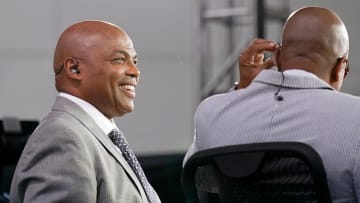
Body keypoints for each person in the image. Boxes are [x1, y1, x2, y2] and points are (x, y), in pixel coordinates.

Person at [184, 6, 360, 202]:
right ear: (340, 67)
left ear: (277, 58)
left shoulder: (211, 112)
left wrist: (242, 93)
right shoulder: (356, 118)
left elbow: (202, 181)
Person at [10, 21, 161, 203]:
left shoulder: (90, 135)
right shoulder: (62, 137)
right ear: (74, 69)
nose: (135, 71)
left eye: (134, 61)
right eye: (119, 59)